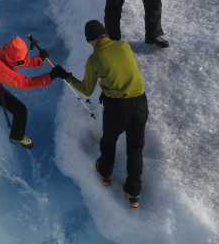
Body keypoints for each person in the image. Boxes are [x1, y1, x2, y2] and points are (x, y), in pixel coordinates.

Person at [53, 20, 149, 208]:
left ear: (90, 41)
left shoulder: (94, 60)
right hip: (140, 103)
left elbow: (86, 90)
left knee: (109, 140)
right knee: (135, 148)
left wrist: (66, 76)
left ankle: (105, 174)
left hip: (117, 108)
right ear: (105, 34)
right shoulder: (124, 45)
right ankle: (134, 193)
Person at [0, 36, 64, 177]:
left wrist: (38, 60)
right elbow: (24, 83)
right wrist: (50, 76)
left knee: (20, 110)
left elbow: (17, 63)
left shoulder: (2, 51)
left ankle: (17, 136)